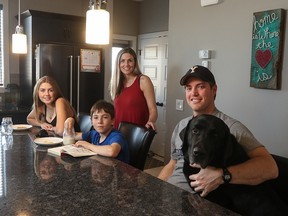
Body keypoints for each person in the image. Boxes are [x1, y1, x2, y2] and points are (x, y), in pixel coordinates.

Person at [158, 65, 278, 197]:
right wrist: (156, 190)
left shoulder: (231, 127)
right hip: (169, 196)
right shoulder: (182, 125)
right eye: (189, 88)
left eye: (201, 86)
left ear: (214, 89)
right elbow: (173, 163)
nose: (194, 93)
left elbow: (270, 168)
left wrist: (223, 175)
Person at [64, 100, 130, 163]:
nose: (99, 121)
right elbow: (73, 135)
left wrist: (88, 145)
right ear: (91, 121)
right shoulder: (95, 134)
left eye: (105, 117)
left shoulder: (117, 136)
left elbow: (112, 151)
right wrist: (71, 120)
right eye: (96, 117)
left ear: (112, 121)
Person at [109, 47, 158, 130]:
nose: (126, 64)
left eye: (130, 60)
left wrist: (151, 121)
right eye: (122, 61)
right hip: (118, 133)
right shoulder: (116, 83)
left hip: (137, 133)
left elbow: (153, 110)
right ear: (118, 64)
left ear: (135, 63)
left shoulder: (143, 80)